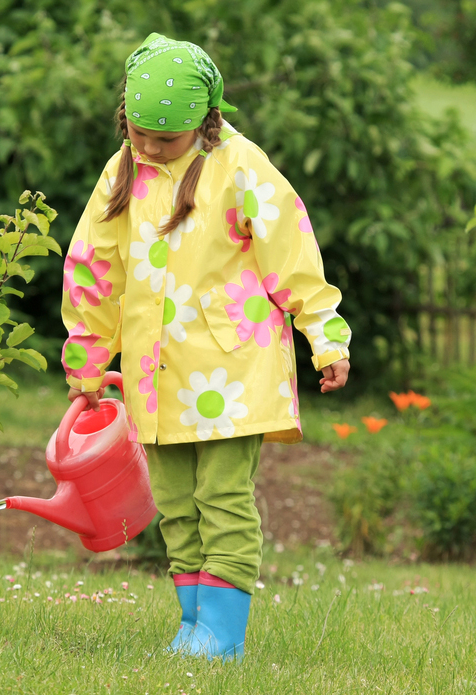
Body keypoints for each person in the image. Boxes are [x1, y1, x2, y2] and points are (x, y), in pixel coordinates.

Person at [60, 33, 351, 662]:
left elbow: (293, 257)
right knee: (174, 504)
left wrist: (325, 337)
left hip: (231, 370)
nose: (147, 147)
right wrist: (87, 354)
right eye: (136, 132)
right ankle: (193, 625)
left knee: (222, 498)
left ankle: (224, 635)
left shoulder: (242, 167)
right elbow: (95, 266)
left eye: (163, 139)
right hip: (153, 373)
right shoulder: (123, 171)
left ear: (206, 118)